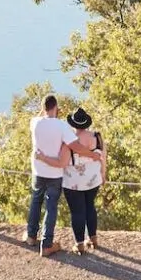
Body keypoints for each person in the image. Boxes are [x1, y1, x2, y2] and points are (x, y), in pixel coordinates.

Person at [27, 93, 97, 256]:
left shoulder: (34, 122)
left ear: (43, 108)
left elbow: (41, 115)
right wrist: (92, 155)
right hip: (54, 173)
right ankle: (46, 244)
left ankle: (31, 236)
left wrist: (46, 111)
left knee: (36, 201)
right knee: (51, 207)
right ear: (56, 108)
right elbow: (76, 146)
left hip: (38, 170)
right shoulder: (61, 126)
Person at [62, 106, 104, 252]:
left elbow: (64, 161)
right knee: (90, 207)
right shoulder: (96, 137)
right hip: (93, 179)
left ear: (73, 124)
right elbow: (103, 158)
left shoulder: (70, 141)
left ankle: (79, 244)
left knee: (77, 212)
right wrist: (103, 175)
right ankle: (93, 238)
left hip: (73, 181)